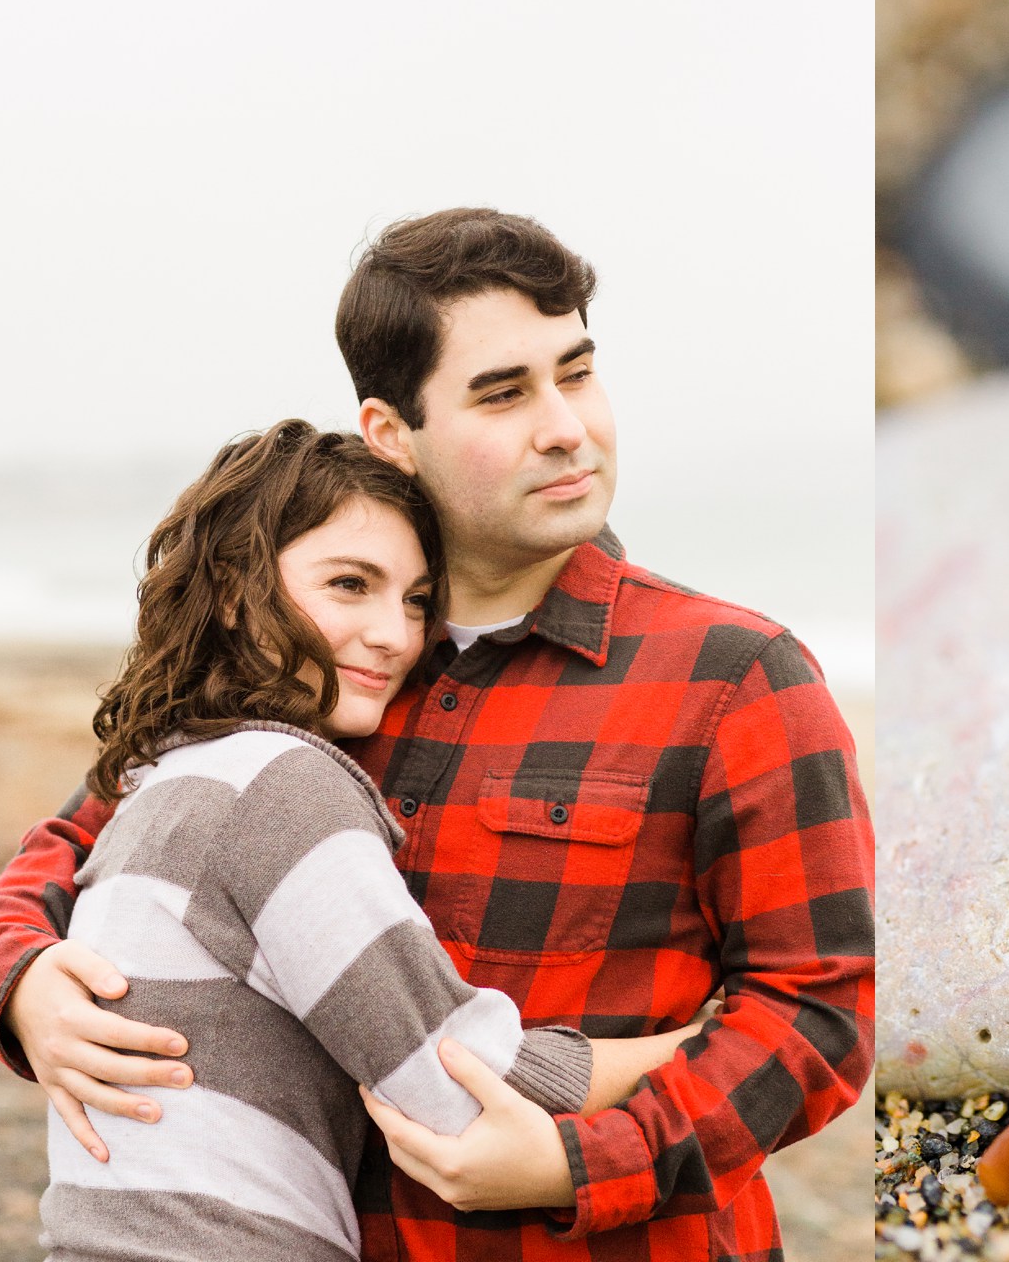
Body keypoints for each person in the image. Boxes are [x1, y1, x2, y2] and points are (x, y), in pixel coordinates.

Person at [0, 208, 875, 1261]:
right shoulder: (322, 666)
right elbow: (81, 843)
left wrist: (588, 1162)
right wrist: (19, 985)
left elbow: (822, 1011)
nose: (566, 426)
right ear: (391, 432)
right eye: (503, 393)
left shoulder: (736, 678)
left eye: (575, 373)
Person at [35, 421, 701, 1257]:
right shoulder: (281, 788)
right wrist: (696, 1043)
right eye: (351, 584)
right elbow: (454, 1080)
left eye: (417, 599)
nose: (396, 634)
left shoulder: (164, 771)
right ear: (236, 590)